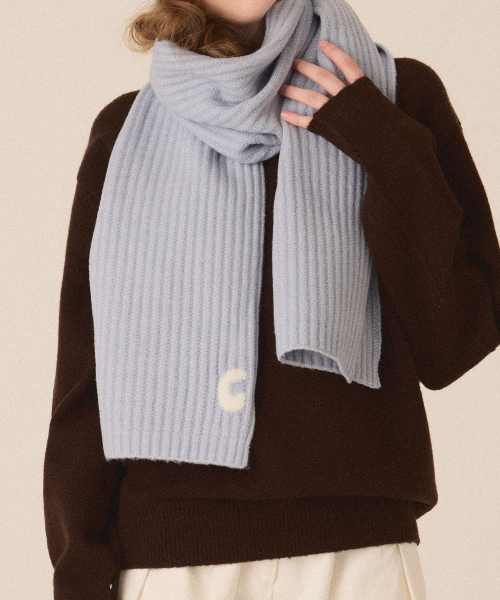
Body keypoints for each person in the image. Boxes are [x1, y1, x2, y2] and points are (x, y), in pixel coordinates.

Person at [42, 1, 500, 599]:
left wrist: (378, 135)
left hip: (357, 555)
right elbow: (86, 374)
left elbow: (455, 342)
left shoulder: (394, 95)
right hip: (173, 562)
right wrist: (78, 567)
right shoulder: (124, 133)